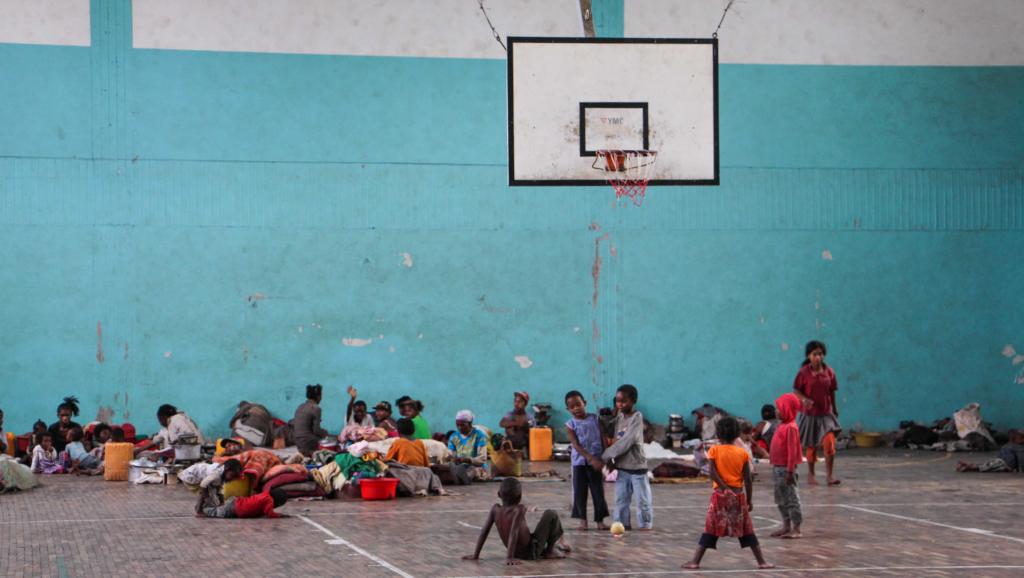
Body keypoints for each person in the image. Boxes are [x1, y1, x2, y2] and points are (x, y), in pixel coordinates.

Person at [682, 417, 773, 570]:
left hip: (720, 496)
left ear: (718, 434)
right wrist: (749, 500)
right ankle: (762, 562)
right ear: (737, 434)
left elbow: (713, 473)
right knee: (747, 530)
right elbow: (748, 479)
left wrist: (724, 488)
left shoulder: (714, 450)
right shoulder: (742, 453)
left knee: (711, 528)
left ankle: (695, 561)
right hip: (738, 497)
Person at [462, 478, 571, 565]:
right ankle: (549, 551)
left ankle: (551, 548)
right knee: (551, 514)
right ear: (520, 496)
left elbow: (484, 531)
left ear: (499, 494)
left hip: (516, 552)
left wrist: (476, 554)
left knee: (536, 533)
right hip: (531, 552)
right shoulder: (519, 509)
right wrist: (509, 557)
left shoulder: (495, 509)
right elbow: (513, 532)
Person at [596, 384, 652, 531]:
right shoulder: (619, 417)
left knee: (642, 500)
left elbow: (626, 442)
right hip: (622, 467)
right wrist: (606, 418)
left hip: (637, 467)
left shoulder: (637, 418)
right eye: (617, 401)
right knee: (621, 499)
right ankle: (621, 523)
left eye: (624, 401)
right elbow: (612, 436)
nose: (620, 404)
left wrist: (605, 456)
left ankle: (645, 524)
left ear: (633, 401)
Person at [793, 340, 841, 486]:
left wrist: (834, 408)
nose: (818, 357)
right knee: (811, 445)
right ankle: (811, 474)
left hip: (826, 414)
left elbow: (832, 392)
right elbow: (796, 390)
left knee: (829, 443)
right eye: (814, 354)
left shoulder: (829, 372)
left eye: (820, 354)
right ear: (809, 356)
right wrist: (804, 399)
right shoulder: (803, 373)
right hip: (810, 414)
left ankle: (829, 476)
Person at [564, 390, 609, 531]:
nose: (576, 408)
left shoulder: (596, 419)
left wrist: (605, 456)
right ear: (568, 409)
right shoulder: (570, 425)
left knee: (598, 492)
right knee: (580, 492)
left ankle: (600, 521)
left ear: (585, 403)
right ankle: (583, 521)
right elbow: (576, 445)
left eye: (578, 404)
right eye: (572, 407)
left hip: (596, 462)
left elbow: (603, 438)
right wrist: (590, 458)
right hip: (579, 464)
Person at [770, 393, 804, 539]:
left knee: (791, 498)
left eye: (779, 408)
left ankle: (796, 528)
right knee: (780, 498)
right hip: (777, 468)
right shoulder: (782, 425)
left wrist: (790, 471)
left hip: (786, 470)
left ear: (787, 409)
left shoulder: (791, 428)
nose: (776, 411)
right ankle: (786, 525)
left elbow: (792, 451)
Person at [446, 410, 489, 484]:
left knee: (473, 470)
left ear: (470, 423)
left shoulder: (480, 435)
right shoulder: (453, 437)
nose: (459, 427)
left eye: (462, 425)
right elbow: (451, 455)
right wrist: (452, 459)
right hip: (459, 466)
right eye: (457, 425)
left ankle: (464, 477)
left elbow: (482, 459)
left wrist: (468, 460)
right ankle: (461, 476)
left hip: (477, 467)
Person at [957, 429, 1024, 473]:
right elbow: (1021, 459)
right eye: (1021, 438)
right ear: (1014, 439)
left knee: (987, 466)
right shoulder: (1018, 447)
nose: (1023, 440)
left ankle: (967, 465)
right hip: (1004, 464)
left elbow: (1001, 453)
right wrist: (1021, 470)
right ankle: (967, 467)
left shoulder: (1008, 445)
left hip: (1000, 461)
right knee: (986, 467)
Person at [198, 487, 289, 519]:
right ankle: (202, 509)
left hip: (236, 502)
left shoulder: (266, 494)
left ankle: (207, 505)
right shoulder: (269, 500)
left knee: (218, 509)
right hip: (236, 508)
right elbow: (269, 514)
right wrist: (280, 515)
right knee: (215, 512)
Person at [293, 384, 329, 456]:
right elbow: (316, 430)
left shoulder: (300, 406)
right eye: (321, 395)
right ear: (318, 397)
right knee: (326, 442)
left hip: (298, 443)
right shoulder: (316, 408)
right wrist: (325, 433)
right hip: (308, 443)